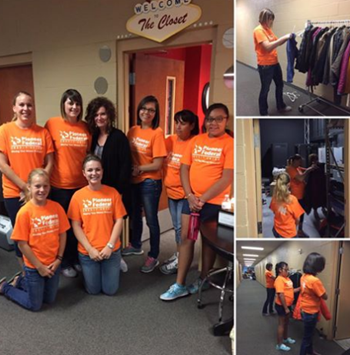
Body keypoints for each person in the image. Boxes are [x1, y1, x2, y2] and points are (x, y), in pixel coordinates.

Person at [160, 103, 233, 301]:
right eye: (210, 119)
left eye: (219, 119)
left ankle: (203, 279)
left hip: (214, 203)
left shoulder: (229, 143)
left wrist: (201, 199)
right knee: (185, 238)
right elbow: (184, 169)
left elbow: (227, 178)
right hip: (191, 200)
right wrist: (190, 195)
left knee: (208, 242)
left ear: (226, 120)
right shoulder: (196, 140)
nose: (214, 123)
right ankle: (179, 284)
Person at [0, 169, 70, 311]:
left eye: (45, 186)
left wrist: (59, 259)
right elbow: (22, 244)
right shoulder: (24, 212)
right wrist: (39, 267)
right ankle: (5, 287)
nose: (42, 190)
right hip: (34, 266)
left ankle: (20, 281)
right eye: (37, 186)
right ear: (29, 187)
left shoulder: (56, 208)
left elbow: (63, 234)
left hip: (53, 264)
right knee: (35, 305)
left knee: (49, 300)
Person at [0, 91, 54, 271]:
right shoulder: (5, 130)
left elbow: (50, 163)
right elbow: (2, 165)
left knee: (39, 233)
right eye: (21, 105)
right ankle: (26, 271)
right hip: (15, 193)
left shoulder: (42, 132)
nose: (26, 108)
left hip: (38, 194)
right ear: (14, 108)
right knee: (21, 235)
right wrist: (25, 188)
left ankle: (40, 266)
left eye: (29, 105)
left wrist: (36, 189)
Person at [45, 89, 91, 278]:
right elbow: (46, 152)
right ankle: (63, 261)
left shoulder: (86, 127)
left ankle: (75, 258)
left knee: (78, 226)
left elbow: (87, 155)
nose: (74, 107)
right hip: (59, 186)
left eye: (77, 103)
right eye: (70, 103)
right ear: (63, 104)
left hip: (81, 186)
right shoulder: (52, 124)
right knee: (62, 228)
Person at [85, 96, 132, 273]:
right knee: (101, 224)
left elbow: (125, 166)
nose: (100, 118)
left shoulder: (118, 137)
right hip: (97, 190)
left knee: (115, 225)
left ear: (109, 115)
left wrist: (119, 192)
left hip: (114, 191)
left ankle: (116, 256)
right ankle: (100, 253)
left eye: (103, 114)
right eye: (96, 114)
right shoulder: (93, 135)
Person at [68, 155, 126, 295]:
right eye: (90, 170)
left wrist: (110, 246)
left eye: (97, 169)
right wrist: (90, 249)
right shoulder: (78, 196)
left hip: (111, 250)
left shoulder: (113, 193)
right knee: (93, 290)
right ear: (84, 173)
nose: (94, 173)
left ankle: (116, 264)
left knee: (110, 290)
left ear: (102, 171)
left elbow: (119, 220)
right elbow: (75, 225)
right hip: (88, 252)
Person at [122, 95, 167, 273]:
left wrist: (139, 168)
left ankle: (154, 255)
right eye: (144, 108)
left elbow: (157, 164)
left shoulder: (157, 133)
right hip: (133, 180)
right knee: (134, 214)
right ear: (138, 109)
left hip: (150, 182)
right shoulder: (132, 130)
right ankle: (136, 244)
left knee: (151, 219)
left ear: (155, 113)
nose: (146, 112)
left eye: (151, 110)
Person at [160, 110, 199, 275]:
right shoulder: (170, 140)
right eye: (176, 122)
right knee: (176, 227)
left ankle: (180, 260)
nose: (178, 126)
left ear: (192, 125)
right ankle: (179, 254)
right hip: (171, 193)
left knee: (181, 230)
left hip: (185, 195)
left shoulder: (195, 143)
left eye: (182, 123)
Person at [253, 8, 292, 116]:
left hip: (274, 63)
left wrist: (288, 37)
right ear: (266, 18)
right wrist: (284, 37)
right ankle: (263, 112)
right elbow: (267, 47)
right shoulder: (258, 30)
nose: (271, 22)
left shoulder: (268, 30)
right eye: (270, 19)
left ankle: (281, 106)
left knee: (280, 84)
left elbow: (277, 42)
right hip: (265, 65)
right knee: (265, 89)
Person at [299, 253, 327, 355]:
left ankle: (310, 352)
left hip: (304, 309)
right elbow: (324, 296)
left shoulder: (304, 277)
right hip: (311, 312)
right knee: (307, 337)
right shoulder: (315, 280)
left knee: (310, 334)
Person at [286, 154, 317, 237]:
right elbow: (300, 178)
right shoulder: (290, 169)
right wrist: (308, 170)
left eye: (300, 162)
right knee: (295, 214)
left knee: (301, 213)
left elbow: (307, 170)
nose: (299, 163)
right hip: (295, 196)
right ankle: (291, 231)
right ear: (294, 161)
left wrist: (312, 167)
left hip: (301, 195)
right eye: (298, 161)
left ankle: (299, 230)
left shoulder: (297, 168)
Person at [274, 261, 300, 352]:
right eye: (286, 269)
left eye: (288, 269)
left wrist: (301, 288)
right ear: (280, 270)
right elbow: (281, 295)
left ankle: (285, 338)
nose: (287, 271)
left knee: (286, 323)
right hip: (282, 306)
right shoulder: (279, 280)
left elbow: (291, 291)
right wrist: (285, 308)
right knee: (281, 324)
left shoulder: (287, 279)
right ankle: (279, 344)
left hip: (288, 305)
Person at [270, 172, 305, 238]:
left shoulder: (274, 198)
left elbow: (274, 211)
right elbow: (298, 219)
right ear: (288, 184)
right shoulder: (292, 199)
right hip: (289, 233)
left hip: (276, 230)